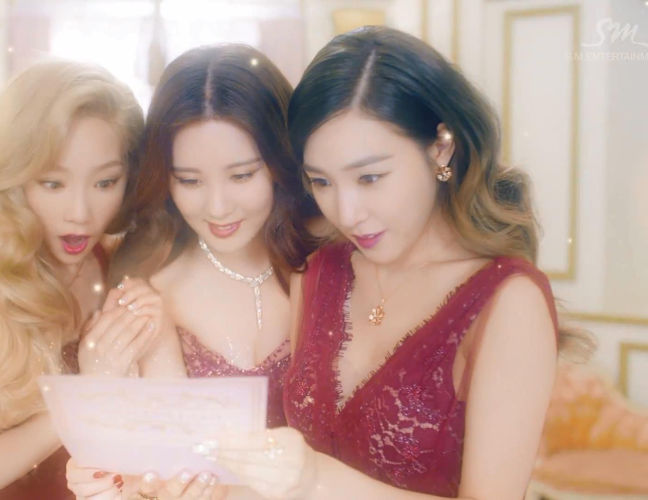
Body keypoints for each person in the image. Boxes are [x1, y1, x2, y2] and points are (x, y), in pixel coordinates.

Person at [192, 26, 593, 500]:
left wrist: (316, 480)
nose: (346, 213)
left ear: (441, 147)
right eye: (321, 182)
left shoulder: (506, 302)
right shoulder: (319, 272)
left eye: (369, 177)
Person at [66, 44, 318, 500]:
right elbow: (156, 476)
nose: (217, 207)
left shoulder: (331, 267)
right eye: (189, 180)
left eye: (242, 175)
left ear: (279, 163)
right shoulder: (151, 291)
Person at [0, 59, 148, 500]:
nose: (80, 213)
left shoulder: (127, 268)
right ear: (13, 179)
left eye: (105, 183)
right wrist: (86, 396)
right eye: (52, 183)